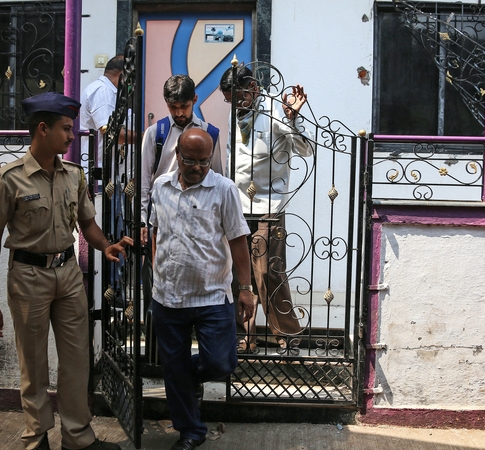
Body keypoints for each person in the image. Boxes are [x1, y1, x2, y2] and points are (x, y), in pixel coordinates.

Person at [0, 92, 131, 450]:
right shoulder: (9, 179)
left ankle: (77, 438)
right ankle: (36, 439)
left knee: (77, 359)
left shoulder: (73, 175)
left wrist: (105, 245)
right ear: (43, 129)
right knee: (33, 364)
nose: (71, 136)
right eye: (65, 128)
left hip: (68, 274)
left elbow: (87, 223)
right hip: (28, 276)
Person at [149, 128, 255, 450]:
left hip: (212, 294)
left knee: (221, 362)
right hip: (167, 297)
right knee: (172, 367)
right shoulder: (160, 186)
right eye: (191, 160)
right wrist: (156, 268)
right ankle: (191, 432)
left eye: (204, 161)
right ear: (177, 156)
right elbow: (156, 231)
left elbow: (238, 240)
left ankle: (189, 377)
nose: (197, 167)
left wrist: (245, 287)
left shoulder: (224, 189)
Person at [219, 66, 315, 352]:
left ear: (253, 88)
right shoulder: (236, 113)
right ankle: (244, 337)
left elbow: (306, 149)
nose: (235, 105)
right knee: (240, 274)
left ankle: (287, 337)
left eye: (238, 97)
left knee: (267, 273)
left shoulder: (276, 111)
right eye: (229, 100)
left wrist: (293, 118)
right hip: (237, 205)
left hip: (268, 206)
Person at [139, 74, 226, 243]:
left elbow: (217, 178)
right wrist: (142, 219)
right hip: (163, 212)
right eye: (173, 107)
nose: (178, 113)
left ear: (194, 99)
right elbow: (143, 181)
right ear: (166, 102)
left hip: (200, 214)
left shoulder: (210, 134)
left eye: (184, 106)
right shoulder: (155, 133)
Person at [79, 54, 133, 168]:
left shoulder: (111, 92)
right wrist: (146, 137)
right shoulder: (103, 91)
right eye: (131, 77)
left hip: (110, 169)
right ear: (122, 75)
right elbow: (111, 133)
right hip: (100, 171)